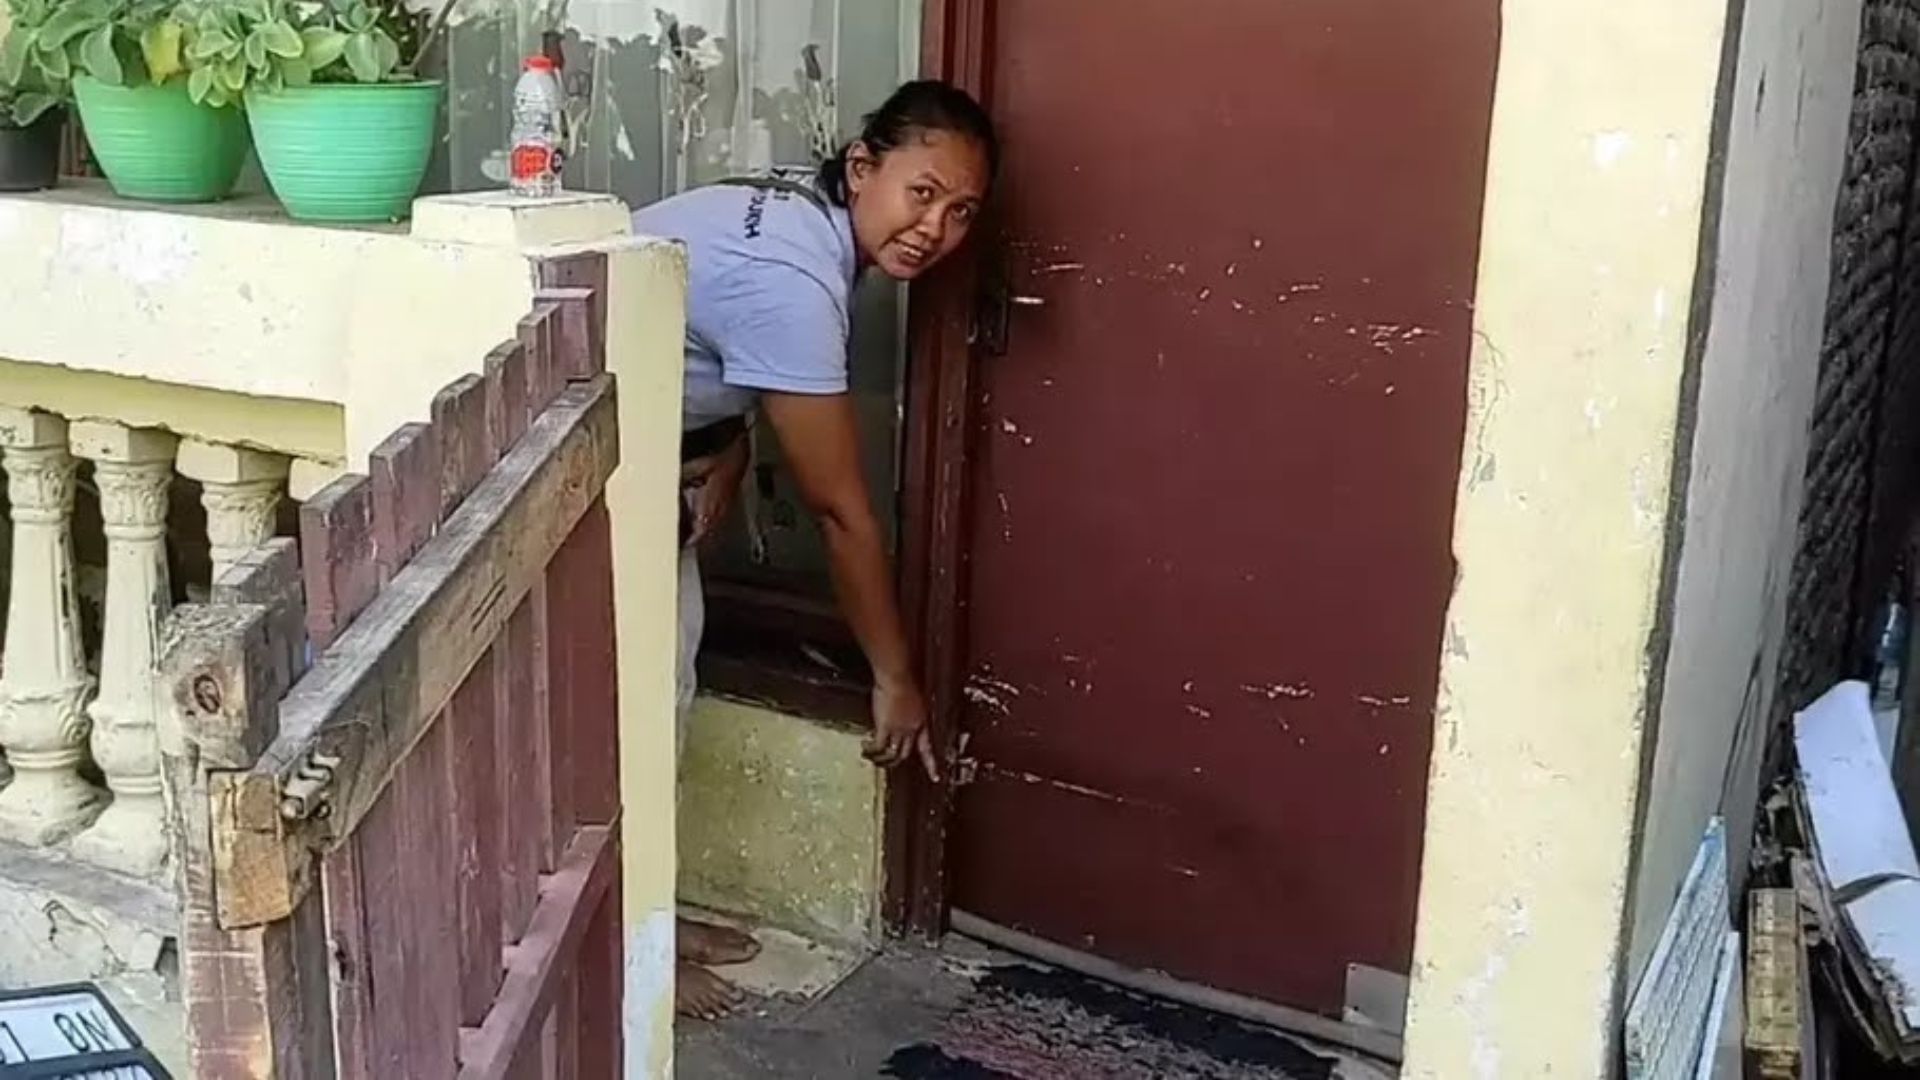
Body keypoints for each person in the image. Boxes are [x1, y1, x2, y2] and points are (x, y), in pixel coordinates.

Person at [631, 80, 998, 1020]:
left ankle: (646, 915)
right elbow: (839, 512)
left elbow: (702, 330)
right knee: (620, 720)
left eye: (962, 212)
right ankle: (627, 963)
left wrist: (726, 446)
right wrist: (894, 678)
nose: (935, 229)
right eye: (923, 193)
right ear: (863, 167)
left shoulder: (800, 208)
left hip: (645, 461)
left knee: (657, 696)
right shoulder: (793, 278)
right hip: (572, 468)